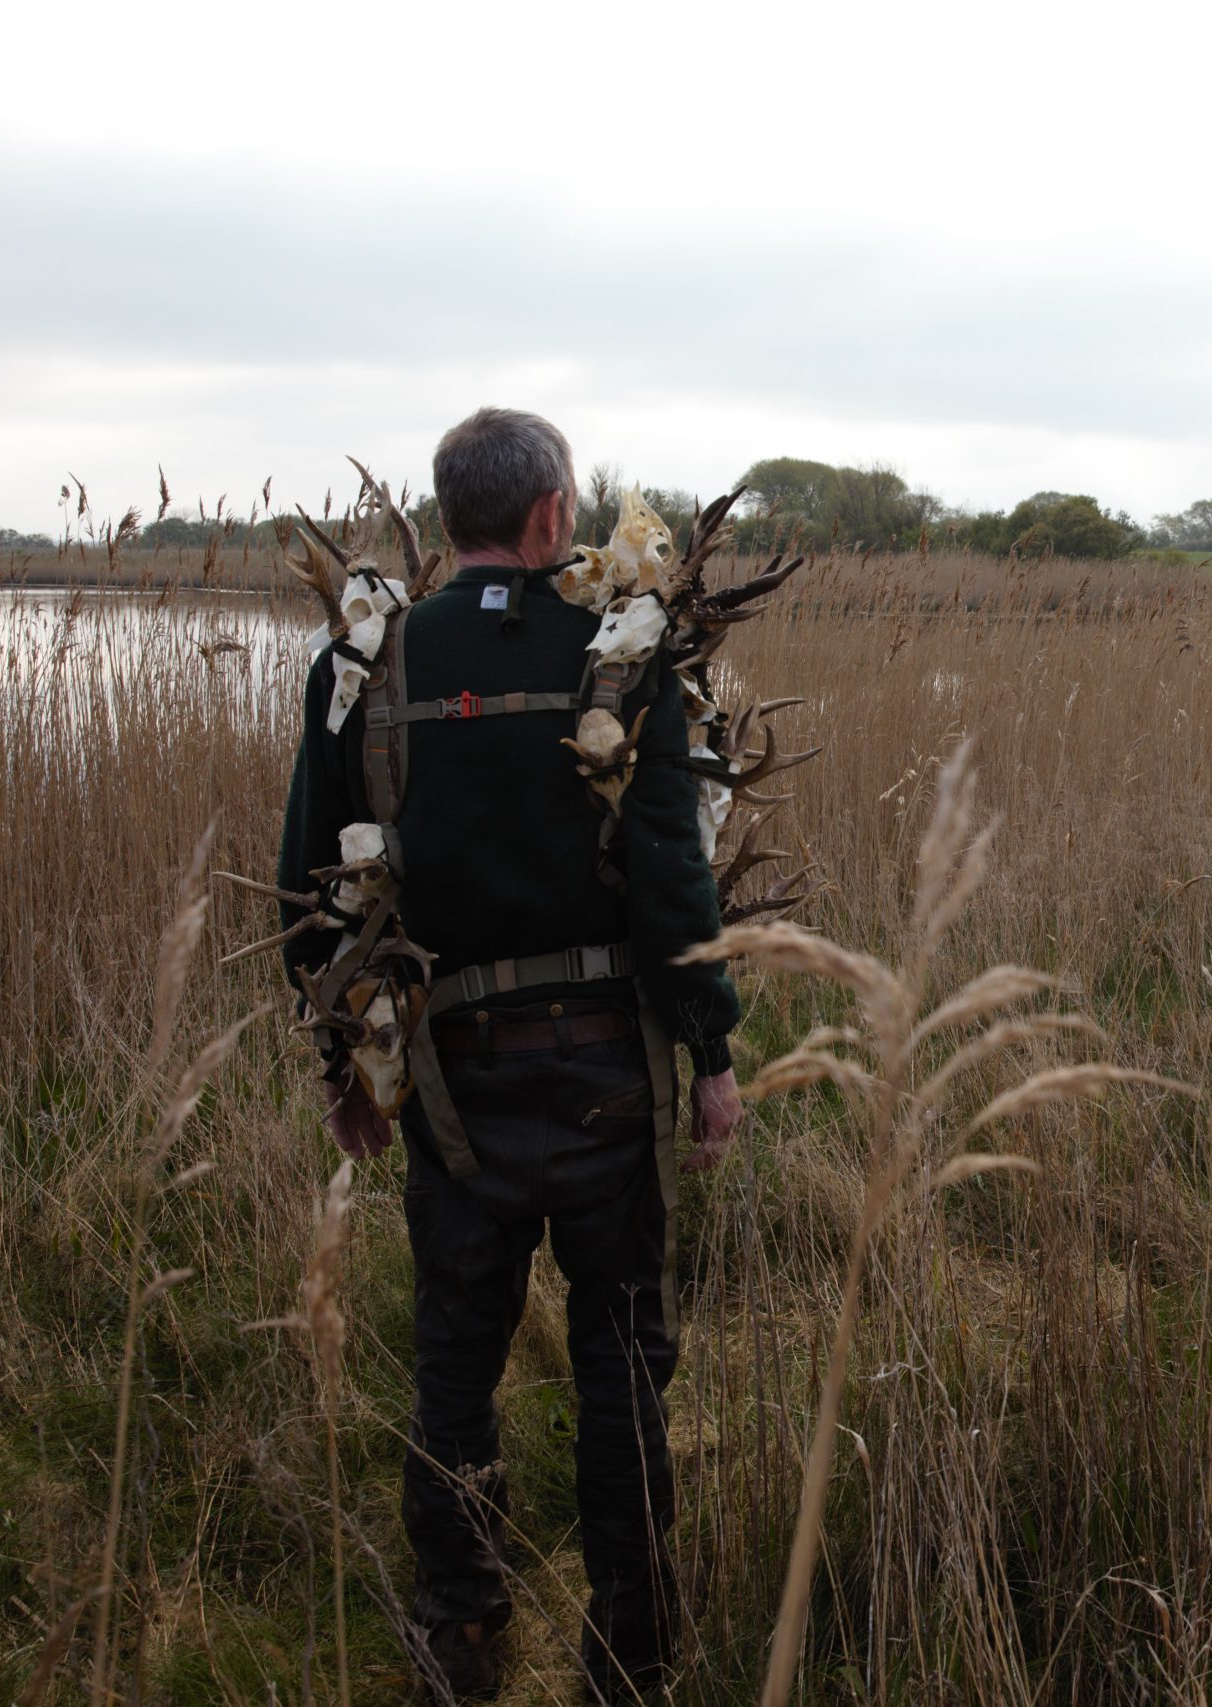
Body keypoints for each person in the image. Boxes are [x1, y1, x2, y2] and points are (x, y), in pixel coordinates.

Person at [275, 407, 745, 1701]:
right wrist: (711, 1053)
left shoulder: (366, 666)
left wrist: (342, 1069)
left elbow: (312, 889)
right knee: (623, 1365)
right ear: (550, 516)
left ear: (448, 516)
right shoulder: (623, 656)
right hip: (608, 1084)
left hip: (449, 1089)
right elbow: (672, 876)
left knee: (454, 1364)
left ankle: (462, 1632)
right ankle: (629, 1656)